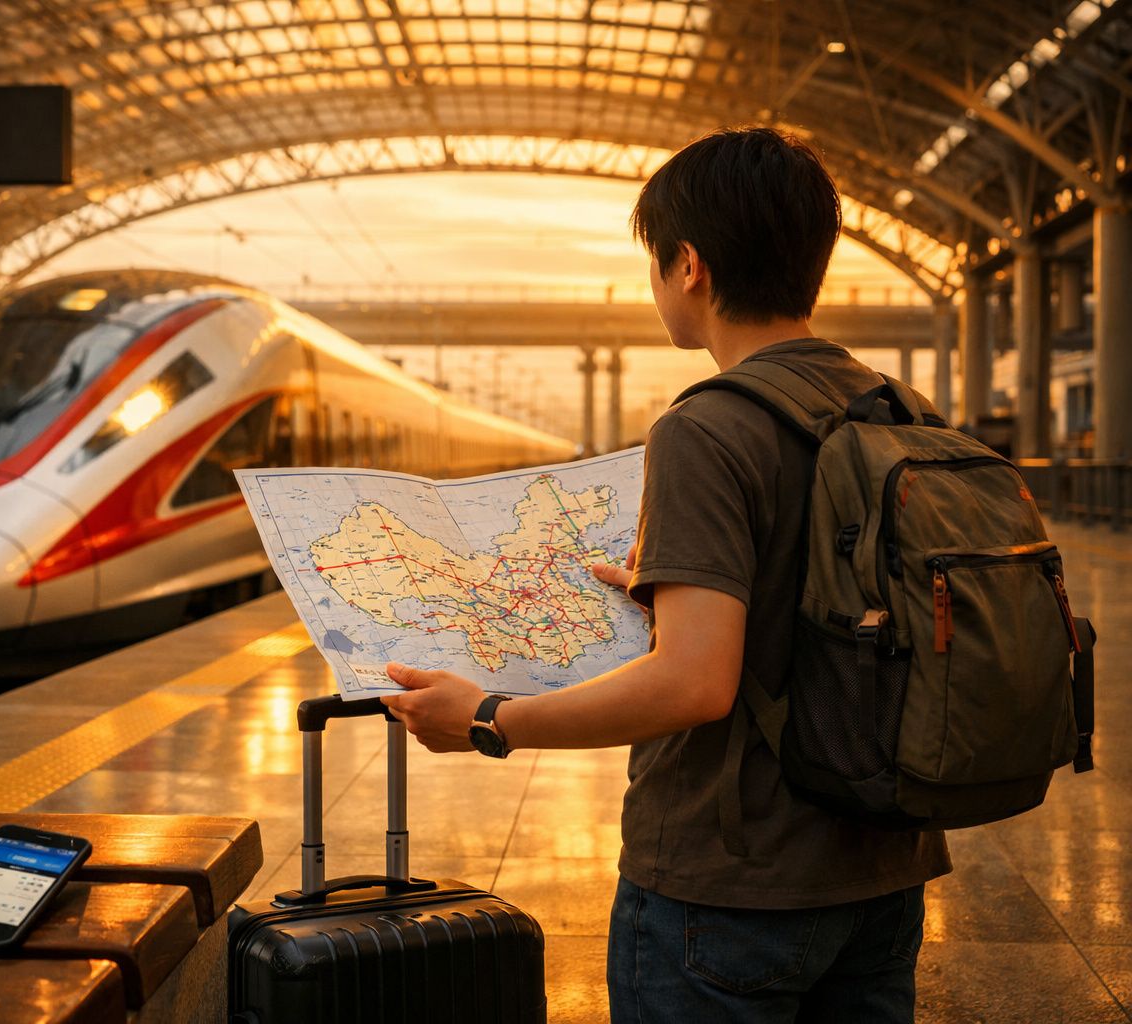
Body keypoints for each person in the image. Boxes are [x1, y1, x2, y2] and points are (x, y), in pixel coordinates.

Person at [380, 126, 951, 1023]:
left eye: (654, 263)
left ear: (689, 266)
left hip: (728, 887)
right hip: (883, 868)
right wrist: (674, 594)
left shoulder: (706, 428)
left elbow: (695, 683)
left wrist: (489, 718)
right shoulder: (899, 410)